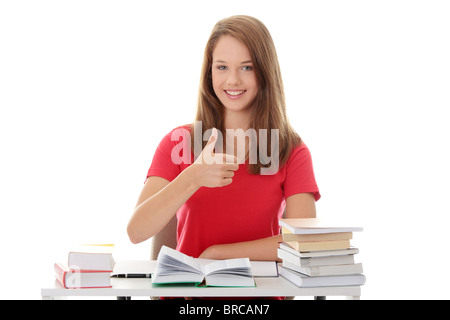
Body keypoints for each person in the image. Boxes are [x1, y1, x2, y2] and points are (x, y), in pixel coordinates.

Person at [127, 15, 320, 265]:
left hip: (258, 297)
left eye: (247, 67)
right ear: (209, 73)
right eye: (222, 67)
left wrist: (219, 254)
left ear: (265, 72)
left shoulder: (290, 150)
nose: (233, 80)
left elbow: (302, 242)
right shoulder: (178, 142)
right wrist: (193, 176)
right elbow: (136, 232)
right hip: (189, 296)